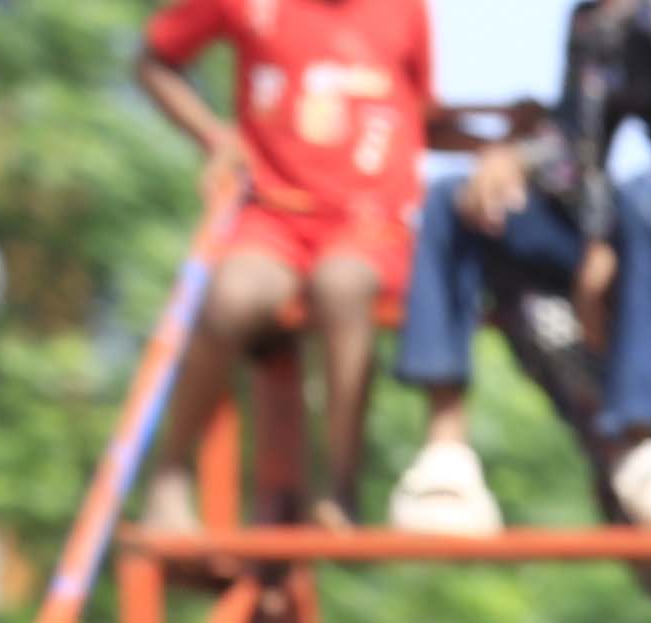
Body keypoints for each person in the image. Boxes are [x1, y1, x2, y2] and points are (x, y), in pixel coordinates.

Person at [387, 0, 651, 536]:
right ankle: (445, 457)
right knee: (460, 199)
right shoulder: (594, 18)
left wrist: (606, 241)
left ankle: (643, 441)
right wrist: (511, 157)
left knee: (648, 203)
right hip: (630, 228)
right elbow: (576, 149)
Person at [127, 0, 436, 530]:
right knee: (231, 295)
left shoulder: (406, 9)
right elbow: (154, 61)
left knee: (344, 284)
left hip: (371, 223)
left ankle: (340, 490)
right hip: (274, 212)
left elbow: (421, 110)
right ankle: (170, 476)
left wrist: (502, 137)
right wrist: (216, 137)